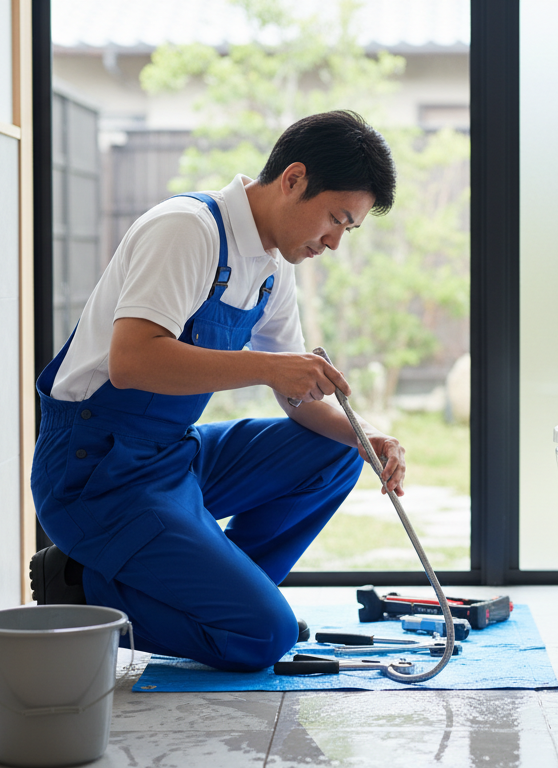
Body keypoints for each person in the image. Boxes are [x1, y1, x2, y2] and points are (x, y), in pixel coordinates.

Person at [28, 110, 405, 672]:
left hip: (171, 455)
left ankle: (232, 598)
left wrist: (368, 435)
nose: (332, 242)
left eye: (346, 230)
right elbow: (132, 361)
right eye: (334, 219)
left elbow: (300, 401)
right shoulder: (187, 229)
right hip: (96, 470)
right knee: (263, 640)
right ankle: (78, 583)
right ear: (294, 178)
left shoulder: (273, 267)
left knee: (336, 455)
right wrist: (268, 368)